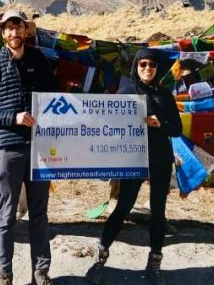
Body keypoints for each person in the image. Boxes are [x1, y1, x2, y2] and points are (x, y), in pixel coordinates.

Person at [0, 9, 58, 285]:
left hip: (39, 148)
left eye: (18, 27)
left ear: (26, 31)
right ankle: (4, 274)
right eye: (9, 28)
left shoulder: (40, 62)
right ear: (2, 33)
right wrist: (13, 117)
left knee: (39, 212)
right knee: (7, 213)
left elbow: (52, 97)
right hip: (7, 148)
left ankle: (41, 272)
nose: (14, 33)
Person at [86, 47, 181, 285]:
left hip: (159, 158)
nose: (148, 69)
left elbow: (178, 129)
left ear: (158, 69)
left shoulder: (164, 94)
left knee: (158, 212)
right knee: (123, 207)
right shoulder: (126, 90)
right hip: (133, 157)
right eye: (143, 64)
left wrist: (160, 125)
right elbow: (109, 118)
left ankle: (155, 263)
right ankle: (100, 259)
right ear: (136, 67)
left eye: (152, 65)